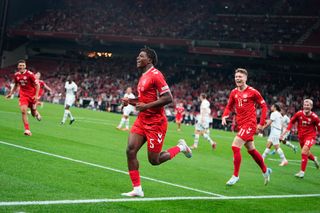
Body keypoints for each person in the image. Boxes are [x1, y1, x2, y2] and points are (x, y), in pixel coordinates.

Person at [121, 47, 192, 197]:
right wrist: (130, 101)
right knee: (130, 150)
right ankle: (137, 189)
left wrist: (145, 106)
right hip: (142, 120)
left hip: (156, 123)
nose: (137, 58)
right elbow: (142, 101)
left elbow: (168, 98)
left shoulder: (156, 75)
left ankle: (180, 147)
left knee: (155, 160)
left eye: (141, 56)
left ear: (150, 60)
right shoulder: (143, 77)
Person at [222, 68, 272, 186]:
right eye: (236, 77)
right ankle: (265, 171)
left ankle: (235, 176)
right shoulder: (234, 92)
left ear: (245, 78)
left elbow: (264, 107)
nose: (238, 79)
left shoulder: (253, 92)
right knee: (252, 150)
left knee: (235, 146)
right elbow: (229, 106)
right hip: (241, 124)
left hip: (250, 124)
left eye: (240, 77)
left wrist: (261, 123)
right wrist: (224, 116)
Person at [280, 99, 320, 178]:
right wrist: (287, 131)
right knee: (306, 153)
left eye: (308, 105)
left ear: (311, 107)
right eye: (305, 105)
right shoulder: (299, 114)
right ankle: (314, 159)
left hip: (310, 136)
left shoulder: (315, 117)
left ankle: (302, 172)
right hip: (301, 137)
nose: (306, 106)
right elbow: (291, 121)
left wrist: (317, 136)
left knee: (304, 151)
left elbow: (319, 128)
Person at [5, 59, 41, 136]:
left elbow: (37, 85)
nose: (21, 67)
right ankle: (27, 130)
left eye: (23, 65)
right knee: (23, 111)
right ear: (18, 66)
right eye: (20, 65)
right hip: (23, 95)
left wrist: (36, 95)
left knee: (33, 114)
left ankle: (36, 113)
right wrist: (11, 93)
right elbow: (15, 85)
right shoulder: (16, 75)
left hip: (32, 96)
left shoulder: (30, 74)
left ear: (25, 66)